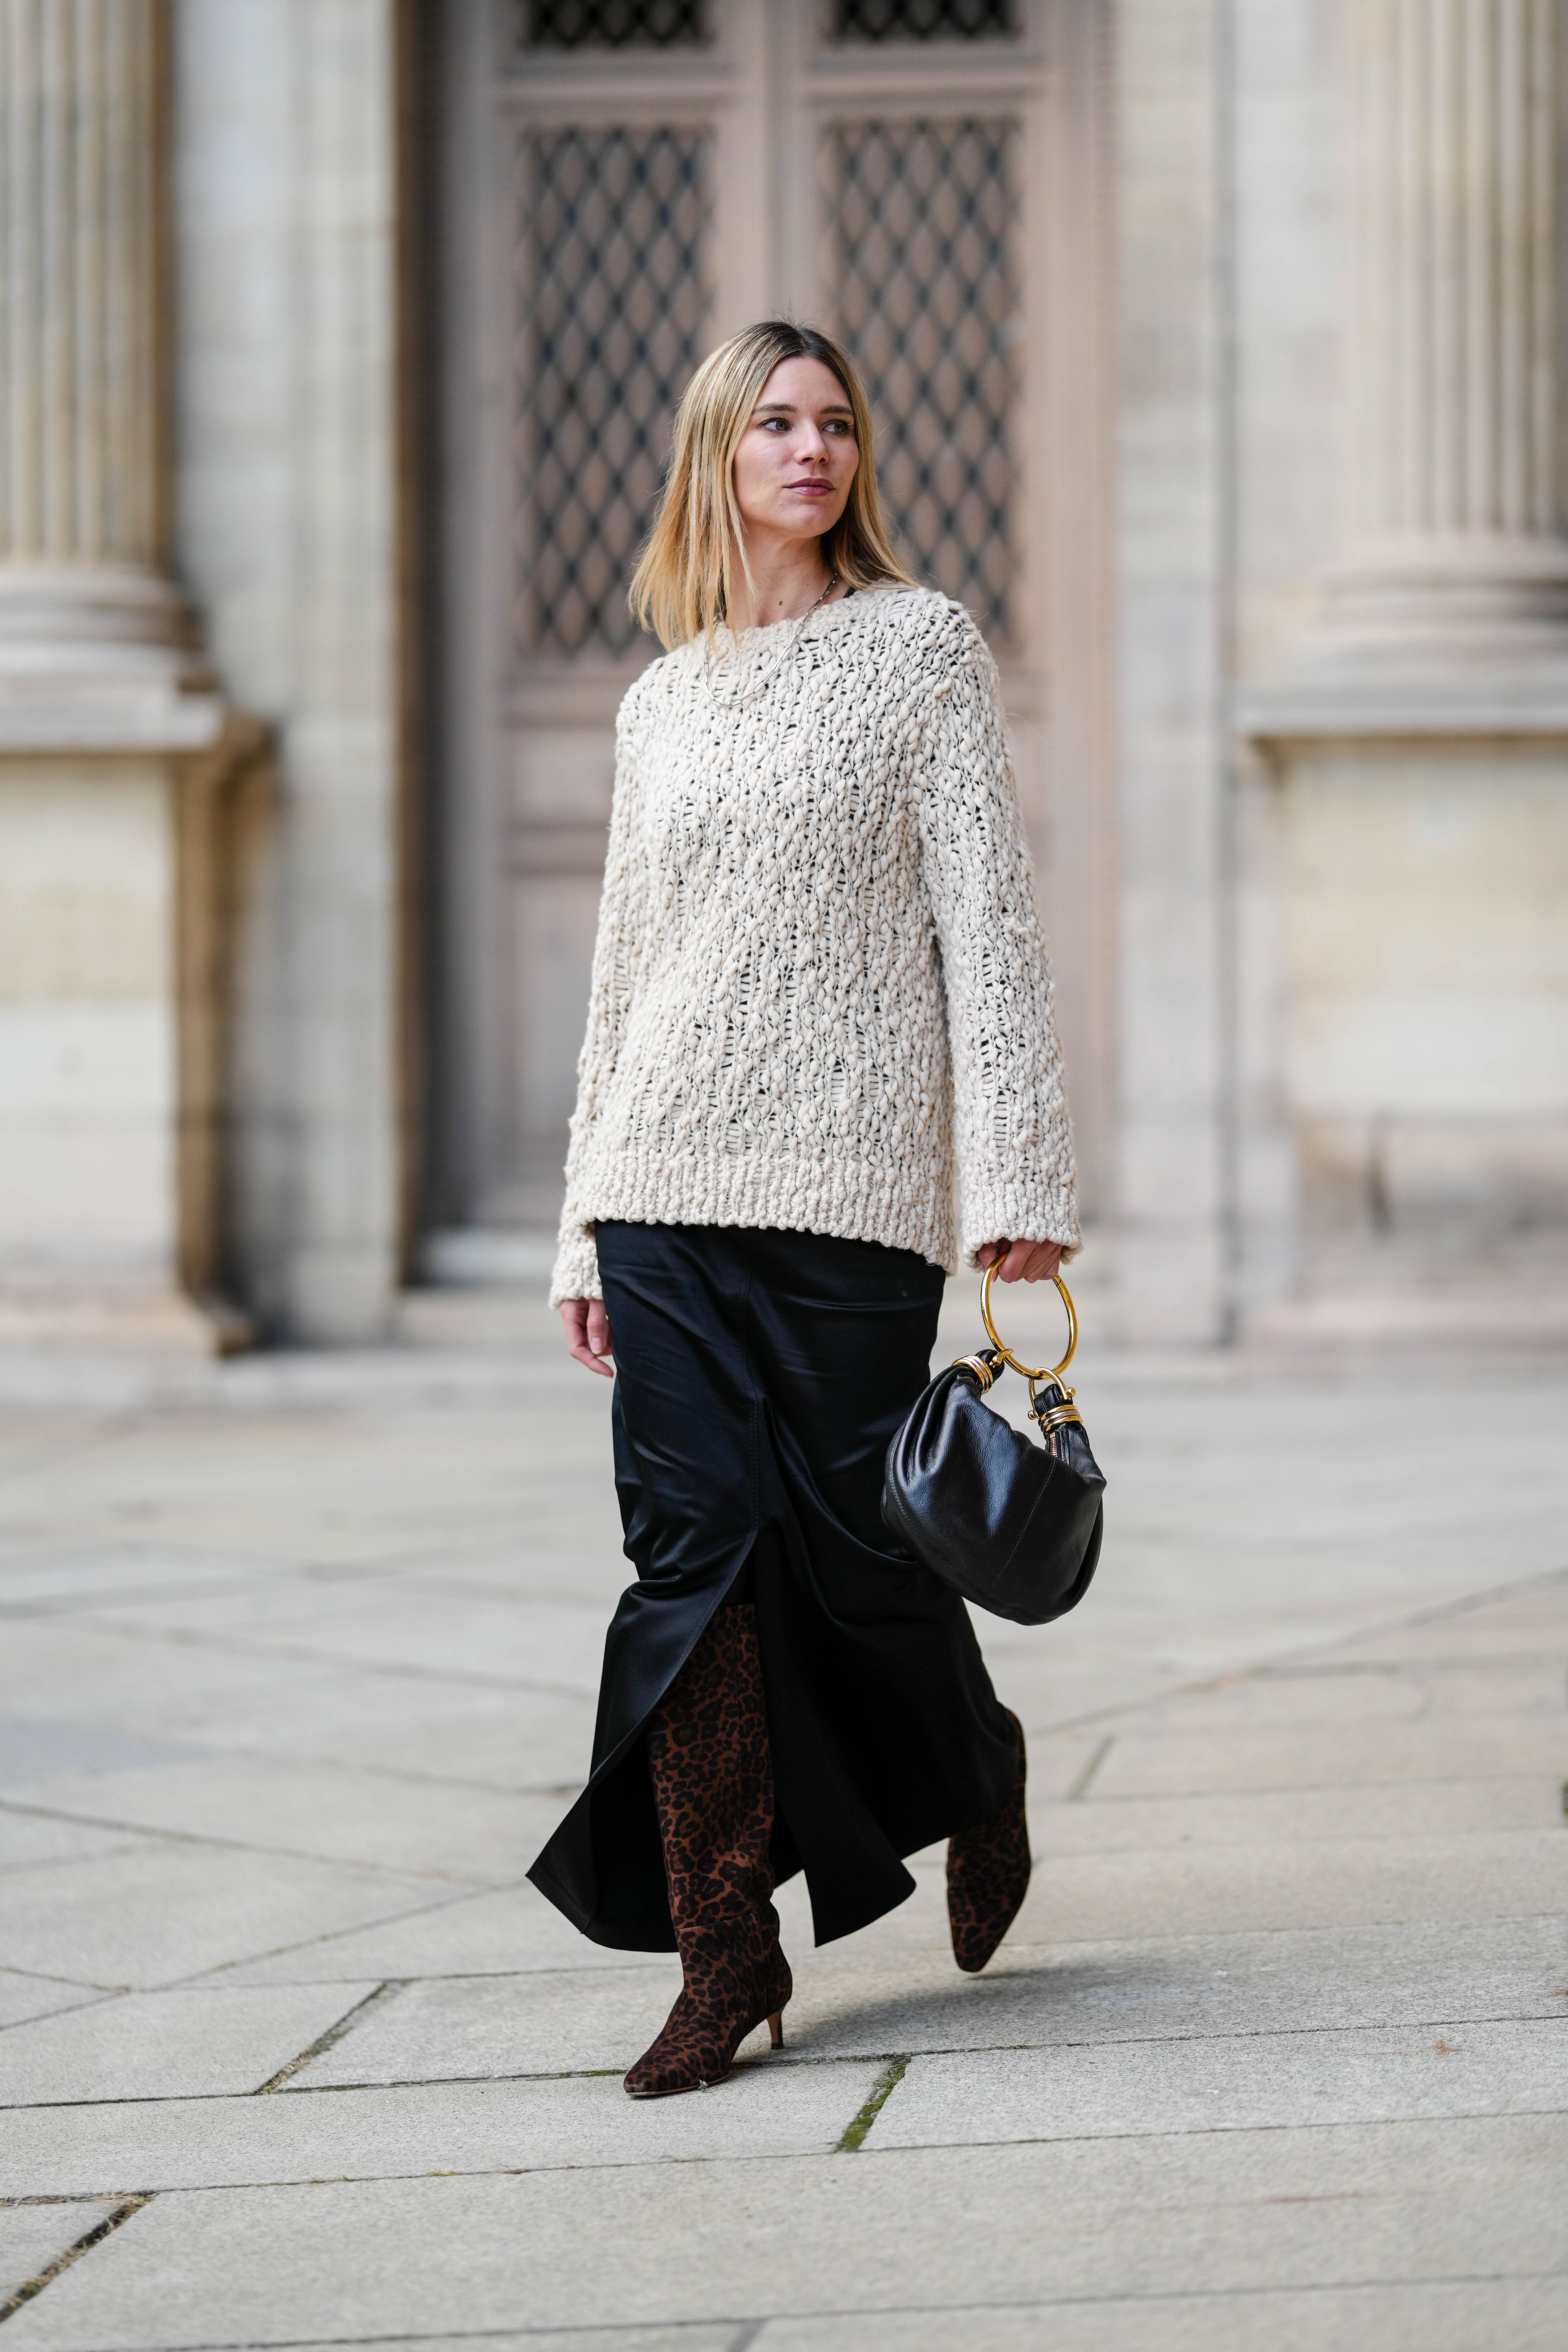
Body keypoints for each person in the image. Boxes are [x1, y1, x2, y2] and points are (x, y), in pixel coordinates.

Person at [528, 320, 1079, 2099]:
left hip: (852, 1189)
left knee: (860, 1549)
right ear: (716, 450)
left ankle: (975, 1764)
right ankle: (723, 1953)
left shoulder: (920, 650)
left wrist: (1017, 1182)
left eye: (834, 420)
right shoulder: (659, 693)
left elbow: (985, 923)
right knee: (686, 1566)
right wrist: (577, 1222)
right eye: (772, 423)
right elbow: (622, 981)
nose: (808, 449)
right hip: (662, 1186)